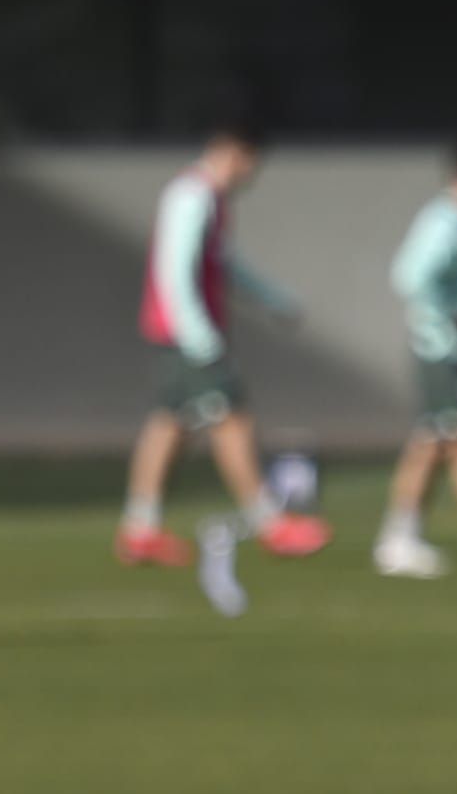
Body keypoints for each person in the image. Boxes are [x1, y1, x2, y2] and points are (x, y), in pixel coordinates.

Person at [118, 120, 332, 566]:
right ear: (235, 153)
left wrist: (272, 299)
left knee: (170, 424)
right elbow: (175, 269)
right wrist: (200, 337)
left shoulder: (208, 198)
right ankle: (269, 523)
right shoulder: (192, 195)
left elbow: (223, 264)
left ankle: (141, 528)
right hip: (187, 333)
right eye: (252, 163)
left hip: (178, 331)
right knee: (231, 417)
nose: (251, 174)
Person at [374, 135, 457, 578]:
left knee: (430, 444)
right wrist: (446, 324)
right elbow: (409, 276)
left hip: (454, 352)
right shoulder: (446, 221)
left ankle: (398, 538)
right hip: (440, 351)